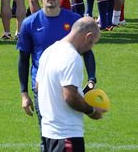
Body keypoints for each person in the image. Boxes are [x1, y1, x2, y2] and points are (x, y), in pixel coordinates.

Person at [17, 0, 97, 150]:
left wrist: (91, 78)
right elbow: (23, 60)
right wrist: (24, 94)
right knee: (48, 135)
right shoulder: (30, 23)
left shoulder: (74, 21)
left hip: (68, 84)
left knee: (62, 132)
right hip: (42, 88)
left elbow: (88, 52)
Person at [36, 17, 105, 151]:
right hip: (67, 135)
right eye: (92, 43)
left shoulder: (49, 51)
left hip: (48, 134)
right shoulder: (72, 57)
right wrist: (92, 111)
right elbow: (70, 96)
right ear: (88, 36)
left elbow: (38, 86)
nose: (90, 48)